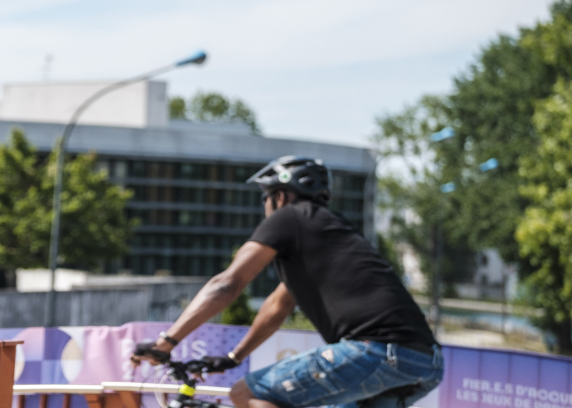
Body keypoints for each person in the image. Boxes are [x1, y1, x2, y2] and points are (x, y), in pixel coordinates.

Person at [131, 156, 443, 408]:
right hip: (423, 361)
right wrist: (232, 358)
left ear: (279, 197)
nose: (265, 207)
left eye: (265, 199)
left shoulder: (288, 217)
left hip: (373, 352)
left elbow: (226, 284)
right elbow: (276, 307)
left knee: (247, 395)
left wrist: (166, 342)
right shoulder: (329, 232)